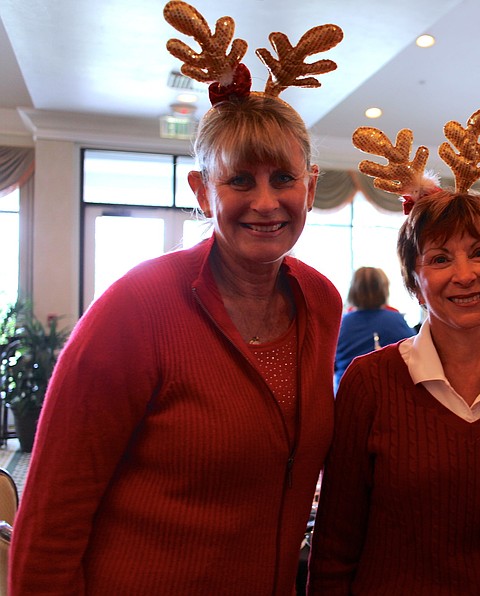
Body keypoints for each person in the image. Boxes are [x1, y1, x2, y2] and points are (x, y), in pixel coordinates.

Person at [10, 3, 343, 593]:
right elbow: (50, 523)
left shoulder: (320, 302)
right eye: (240, 180)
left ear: (311, 187)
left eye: (283, 179)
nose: (265, 203)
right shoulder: (136, 309)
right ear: (202, 192)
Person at [308, 107, 480, 594]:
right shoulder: (370, 382)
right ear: (414, 279)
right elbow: (337, 540)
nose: (465, 275)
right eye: (441, 258)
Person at [334, 266, 416, 389]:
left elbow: (330, 364)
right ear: (384, 289)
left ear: (353, 291)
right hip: (387, 390)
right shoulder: (396, 320)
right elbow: (415, 355)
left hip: (348, 391)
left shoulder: (341, 324)